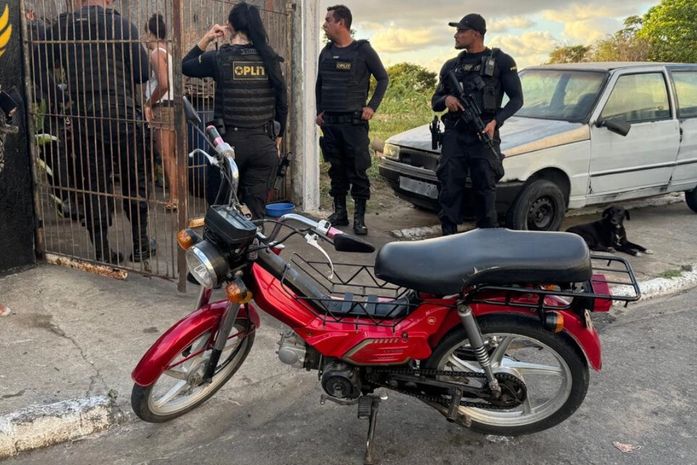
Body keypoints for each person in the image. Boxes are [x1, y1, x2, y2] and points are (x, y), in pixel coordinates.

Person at [49, 0, 155, 263]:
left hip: (84, 116)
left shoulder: (61, 27)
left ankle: (102, 250)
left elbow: (41, 65)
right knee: (134, 179)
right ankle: (140, 244)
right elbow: (142, 73)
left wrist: (62, 99)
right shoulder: (121, 25)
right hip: (121, 114)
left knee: (94, 183)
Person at [182, 2, 288, 220]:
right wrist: (277, 137)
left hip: (229, 146)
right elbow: (282, 102)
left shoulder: (220, 58)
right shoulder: (270, 59)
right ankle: (255, 253)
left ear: (230, 25)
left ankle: (228, 252)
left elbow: (186, 65)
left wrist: (208, 37)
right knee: (256, 215)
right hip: (263, 146)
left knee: (221, 211)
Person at [431, 13, 523, 235]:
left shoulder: (501, 61)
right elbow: (435, 102)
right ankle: (448, 238)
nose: (456, 35)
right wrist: (447, 100)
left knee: (485, 189)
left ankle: (487, 240)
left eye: (461, 31)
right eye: (457, 31)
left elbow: (517, 100)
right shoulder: (451, 66)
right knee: (449, 188)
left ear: (476, 34)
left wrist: (495, 122)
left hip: (484, 134)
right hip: (455, 135)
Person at [315, 4, 388, 236]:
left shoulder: (363, 51)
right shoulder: (325, 52)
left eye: (328, 20)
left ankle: (359, 218)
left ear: (341, 23)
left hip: (354, 124)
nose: (324, 24)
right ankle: (340, 213)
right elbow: (320, 85)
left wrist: (371, 107)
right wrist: (319, 111)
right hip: (331, 123)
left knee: (357, 171)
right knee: (336, 169)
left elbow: (383, 79)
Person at [143, 13, 177, 211]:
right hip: (171, 107)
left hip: (162, 108)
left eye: (146, 33)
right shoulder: (167, 52)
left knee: (165, 155)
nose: (145, 39)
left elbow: (164, 84)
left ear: (152, 34)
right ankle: (177, 195)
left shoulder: (156, 53)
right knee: (171, 155)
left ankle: (174, 198)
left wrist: (149, 103)